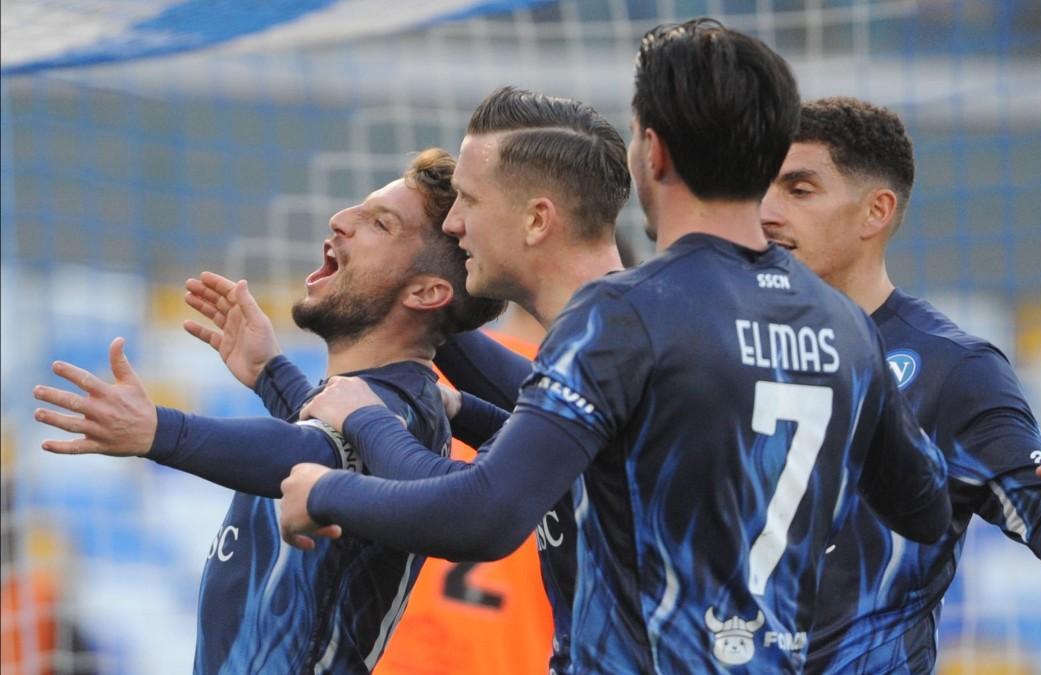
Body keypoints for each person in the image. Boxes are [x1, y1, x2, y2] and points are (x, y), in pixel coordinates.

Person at [277, 19, 951, 673]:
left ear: (651, 151)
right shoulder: (843, 326)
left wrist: (330, 480)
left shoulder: (625, 312)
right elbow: (923, 506)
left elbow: (485, 513)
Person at [189, 85, 631, 674]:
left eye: (470, 200)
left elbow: (480, 508)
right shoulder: (567, 367)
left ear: (535, 219)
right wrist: (279, 375)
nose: (456, 221)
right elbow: (550, 455)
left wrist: (159, 432)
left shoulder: (618, 348)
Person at [30, 149, 505, 674]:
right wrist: (270, 374)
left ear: (425, 291)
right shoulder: (372, 401)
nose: (340, 220)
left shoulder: (400, 408)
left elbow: (306, 453)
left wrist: (160, 431)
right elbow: (328, 442)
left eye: (379, 223)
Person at [759, 96, 1041, 672]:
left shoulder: (949, 370)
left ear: (875, 212)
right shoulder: (719, 346)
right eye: (764, 188)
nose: (767, 212)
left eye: (799, 190)